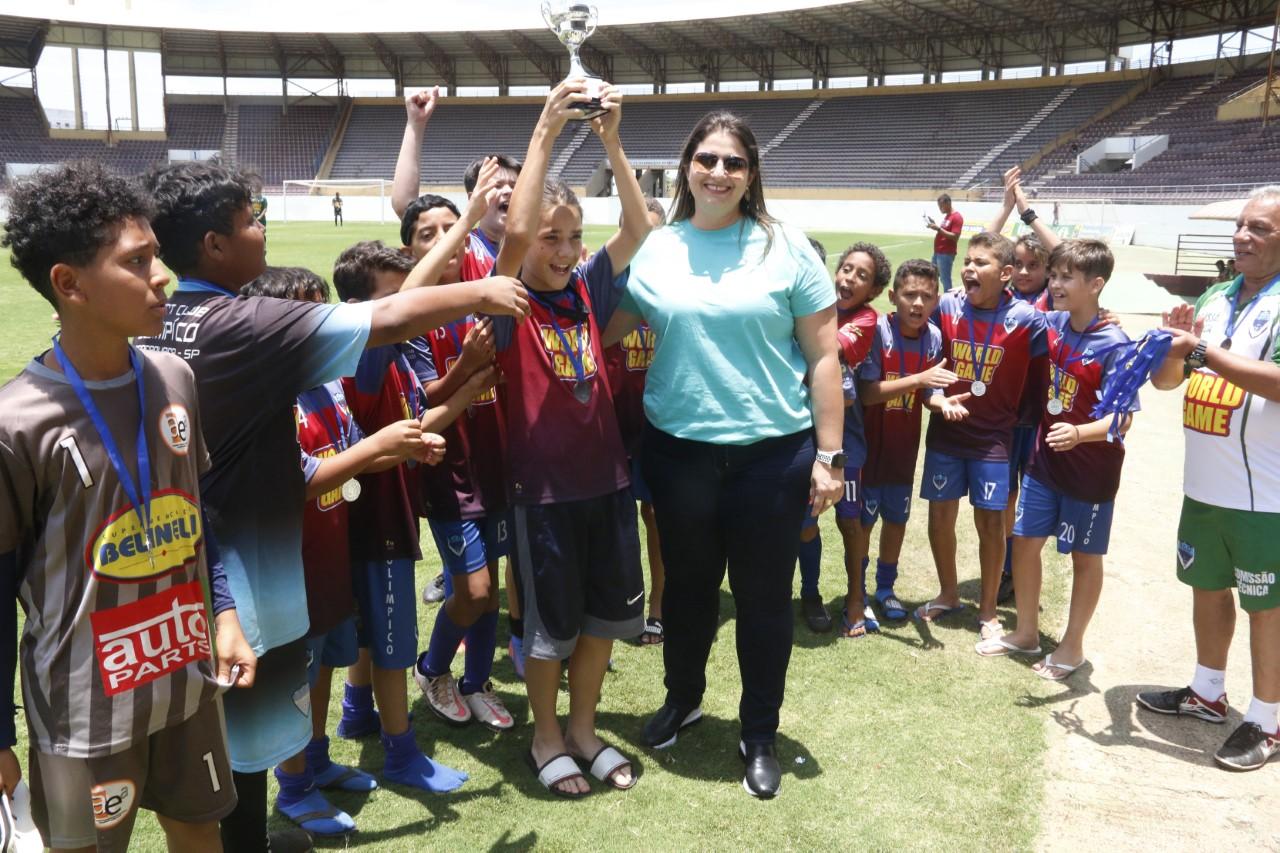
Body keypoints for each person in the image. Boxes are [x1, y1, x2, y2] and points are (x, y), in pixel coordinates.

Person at [133, 161, 528, 852]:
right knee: (243, 747)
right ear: (213, 245)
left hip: (183, 568)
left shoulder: (157, 321)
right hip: (242, 581)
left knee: (213, 743)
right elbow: (387, 315)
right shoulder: (243, 323)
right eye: (251, 218)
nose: (263, 229)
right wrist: (484, 287)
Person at [0, 160, 255, 851]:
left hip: (186, 682)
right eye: (137, 261)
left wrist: (224, 613)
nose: (162, 275)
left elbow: (197, 520)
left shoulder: (174, 375)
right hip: (82, 711)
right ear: (68, 282)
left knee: (201, 835)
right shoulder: (16, 421)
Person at [607, 110, 843, 799]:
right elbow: (606, 329)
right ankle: (683, 698)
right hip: (678, 454)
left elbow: (824, 357)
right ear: (686, 167)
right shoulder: (658, 247)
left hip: (772, 457)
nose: (718, 172)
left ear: (751, 174)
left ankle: (759, 731)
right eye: (706, 158)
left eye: (733, 162)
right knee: (686, 590)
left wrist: (829, 456)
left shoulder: (786, 246)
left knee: (765, 600)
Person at [492, 80, 651, 798]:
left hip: (608, 483)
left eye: (572, 236)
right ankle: (545, 735)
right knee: (549, 630)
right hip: (544, 493)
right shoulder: (506, 301)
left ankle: (584, 730)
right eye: (550, 238)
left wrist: (612, 142)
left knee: (601, 622)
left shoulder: (587, 288)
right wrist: (546, 132)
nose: (561, 249)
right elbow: (516, 236)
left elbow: (640, 229)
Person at [241, 267, 421, 836]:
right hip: (286, 568)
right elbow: (300, 477)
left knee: (320, 670)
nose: (320, 327)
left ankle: (315, 759)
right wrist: (375, 447)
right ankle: (293, 787)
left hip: (329, 560)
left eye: (324, 313)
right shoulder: (263, 395)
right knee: (294, 675)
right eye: (303, 316)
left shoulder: (329, 382)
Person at [330, 241, 482, 789]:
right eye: (395, 298)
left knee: (369, 630)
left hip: (377, 519)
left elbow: (417, 419)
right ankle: (401, 753)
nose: (408, 310)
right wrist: (464, 223)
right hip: (379, 525)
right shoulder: (366, 357)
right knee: (395, 645)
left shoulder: (395, 361)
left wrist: (466, 390)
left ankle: (355, 711)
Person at [1138, 185, 1280, 772]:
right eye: (1242, 225)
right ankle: (1207, 692)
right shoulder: (1218, 295)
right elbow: (1169, 382)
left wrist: (1201, 353)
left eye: (1261, 229)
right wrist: (1176, 349)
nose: (1242, 236)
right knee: (1207, 587)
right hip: (1205, 483)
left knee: (1266, 605)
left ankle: (1268, 720)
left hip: (1265, 493)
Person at [975, 239, 1135, 682]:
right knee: (1024, 543)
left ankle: (1073, 646)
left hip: (1091, 473)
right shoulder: (1050, 325)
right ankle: (1026, 633)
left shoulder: (1115, 344)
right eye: (1056, 274)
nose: (1056, 283)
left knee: (1085, 558)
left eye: (1067, 277)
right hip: (1045, 463)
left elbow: (1123, 419)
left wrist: (1081, 432)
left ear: (1096, 285)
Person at [391, 190, 517, 731]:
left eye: (453, 227)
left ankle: (477, 681)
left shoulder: (487, 297)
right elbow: (424, 403)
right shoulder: (413, 317)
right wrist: (467, 363)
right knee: (476, 590)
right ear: (412, 251)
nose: (444, 240)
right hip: (450, 473)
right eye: (427, 234)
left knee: (489, 593)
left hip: (499, 468)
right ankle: (433, 667)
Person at [916, 231, 1047, 640]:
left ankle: (988, 609)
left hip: (993, 441)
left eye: (981, 263)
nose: (969, 268)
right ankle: (949, 593)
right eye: (967, 261)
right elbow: (927, 361)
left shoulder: (1027, 320)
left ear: (1006, 273)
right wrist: (934, 399)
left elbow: (1042, 378)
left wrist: (1018, 420)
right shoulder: (947, 306)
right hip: (945, 433)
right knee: (940, 517)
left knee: (991, 523)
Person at [798, 243, 884, 637]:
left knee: (851, 524)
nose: (848, 278)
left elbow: (825, 346)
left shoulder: (866, 318)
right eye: (845, 268)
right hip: (807, 434)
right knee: (805, 522)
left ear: (873, 290)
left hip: (846, 442)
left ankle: (855, 599)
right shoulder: (818, 303)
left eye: (861, 275)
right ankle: (810, 594)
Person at [856, 260, 949, 624]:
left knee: (896, 521)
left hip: (903, 451)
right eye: (909, 295)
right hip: (868, 450)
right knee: (863, 522)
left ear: (936, 300)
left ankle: (885, 589)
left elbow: (930, 392)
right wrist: (919, 380)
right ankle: (858, 590)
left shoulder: (934, 337)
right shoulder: (879, 332)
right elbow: (867, 393)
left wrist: (941, 401)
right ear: (893, 296)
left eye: (926, 297)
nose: (917, 304)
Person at [989, 167, 1061, 604]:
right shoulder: (1003, 296)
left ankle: (1018, 565)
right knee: (1006, 494)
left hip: (1040, 414)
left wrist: (1027, 211)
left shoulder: (1053, 298)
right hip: (1005, 413)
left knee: (1030, 493)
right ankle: (1004, 567)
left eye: (1035, 266)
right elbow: (982, 250)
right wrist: (1002, 209)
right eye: (1018, 265)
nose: (1023, 272)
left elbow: (1066, 252)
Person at [604, 196, 668, 645]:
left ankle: (658, 607)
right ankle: (616, 604)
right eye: (635, 232)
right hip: (607, 425)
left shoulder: (674, 288)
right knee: (611, 521)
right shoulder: (602, 283)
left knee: (656, 517)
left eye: (653, 234)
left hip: (659, 425)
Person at [926, 193, 963, 291]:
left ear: (948, 203)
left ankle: (949, 300)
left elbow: (955, 237)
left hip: (946, 254)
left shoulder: (956, 217)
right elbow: (944, 232)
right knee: (932, 276)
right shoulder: (947, 216)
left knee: (945, 279)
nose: (940, 208)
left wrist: (938, 229)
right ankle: (932, 297)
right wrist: (935, 225)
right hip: (938, 253)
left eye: (941, 206)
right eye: (939, 206)